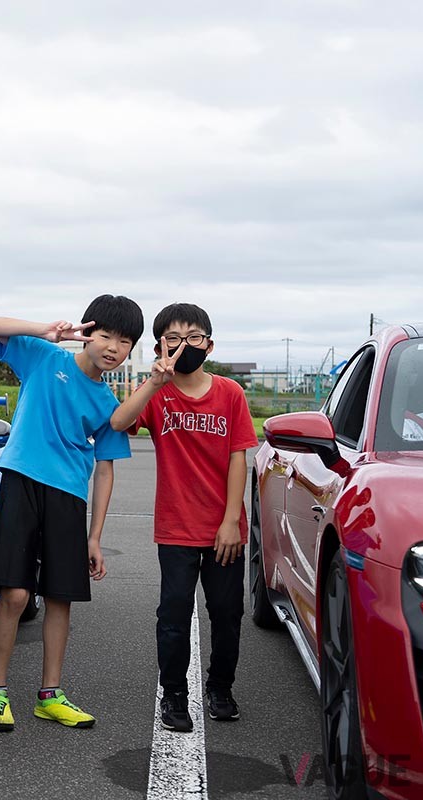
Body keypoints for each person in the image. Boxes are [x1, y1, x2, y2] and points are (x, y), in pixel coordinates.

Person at [0, 295, 143, 731]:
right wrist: (43, 329)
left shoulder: (110, 404)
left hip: (69, 496)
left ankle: (50, 696)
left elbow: (105, 471)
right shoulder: (44, 356)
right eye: (105, 334)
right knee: (14, 594)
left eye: (124, 342)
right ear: (88, 332)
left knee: (59, 598)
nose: (112, 347)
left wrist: (95, 537)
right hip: (21, 481)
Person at [109, 303, 258, 733]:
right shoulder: (159, 394)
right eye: (172, 338)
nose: (182, 346)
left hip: (224, 528)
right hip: (176, 527)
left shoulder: (230, 393)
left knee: (228, 612)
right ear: (159, 345)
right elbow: (119, 421)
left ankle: (220, 687)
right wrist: (154, 382)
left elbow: (237, 458)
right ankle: (173, 694)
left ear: (209, 344)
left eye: (193, 337)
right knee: (172, 614)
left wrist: (232, 520)